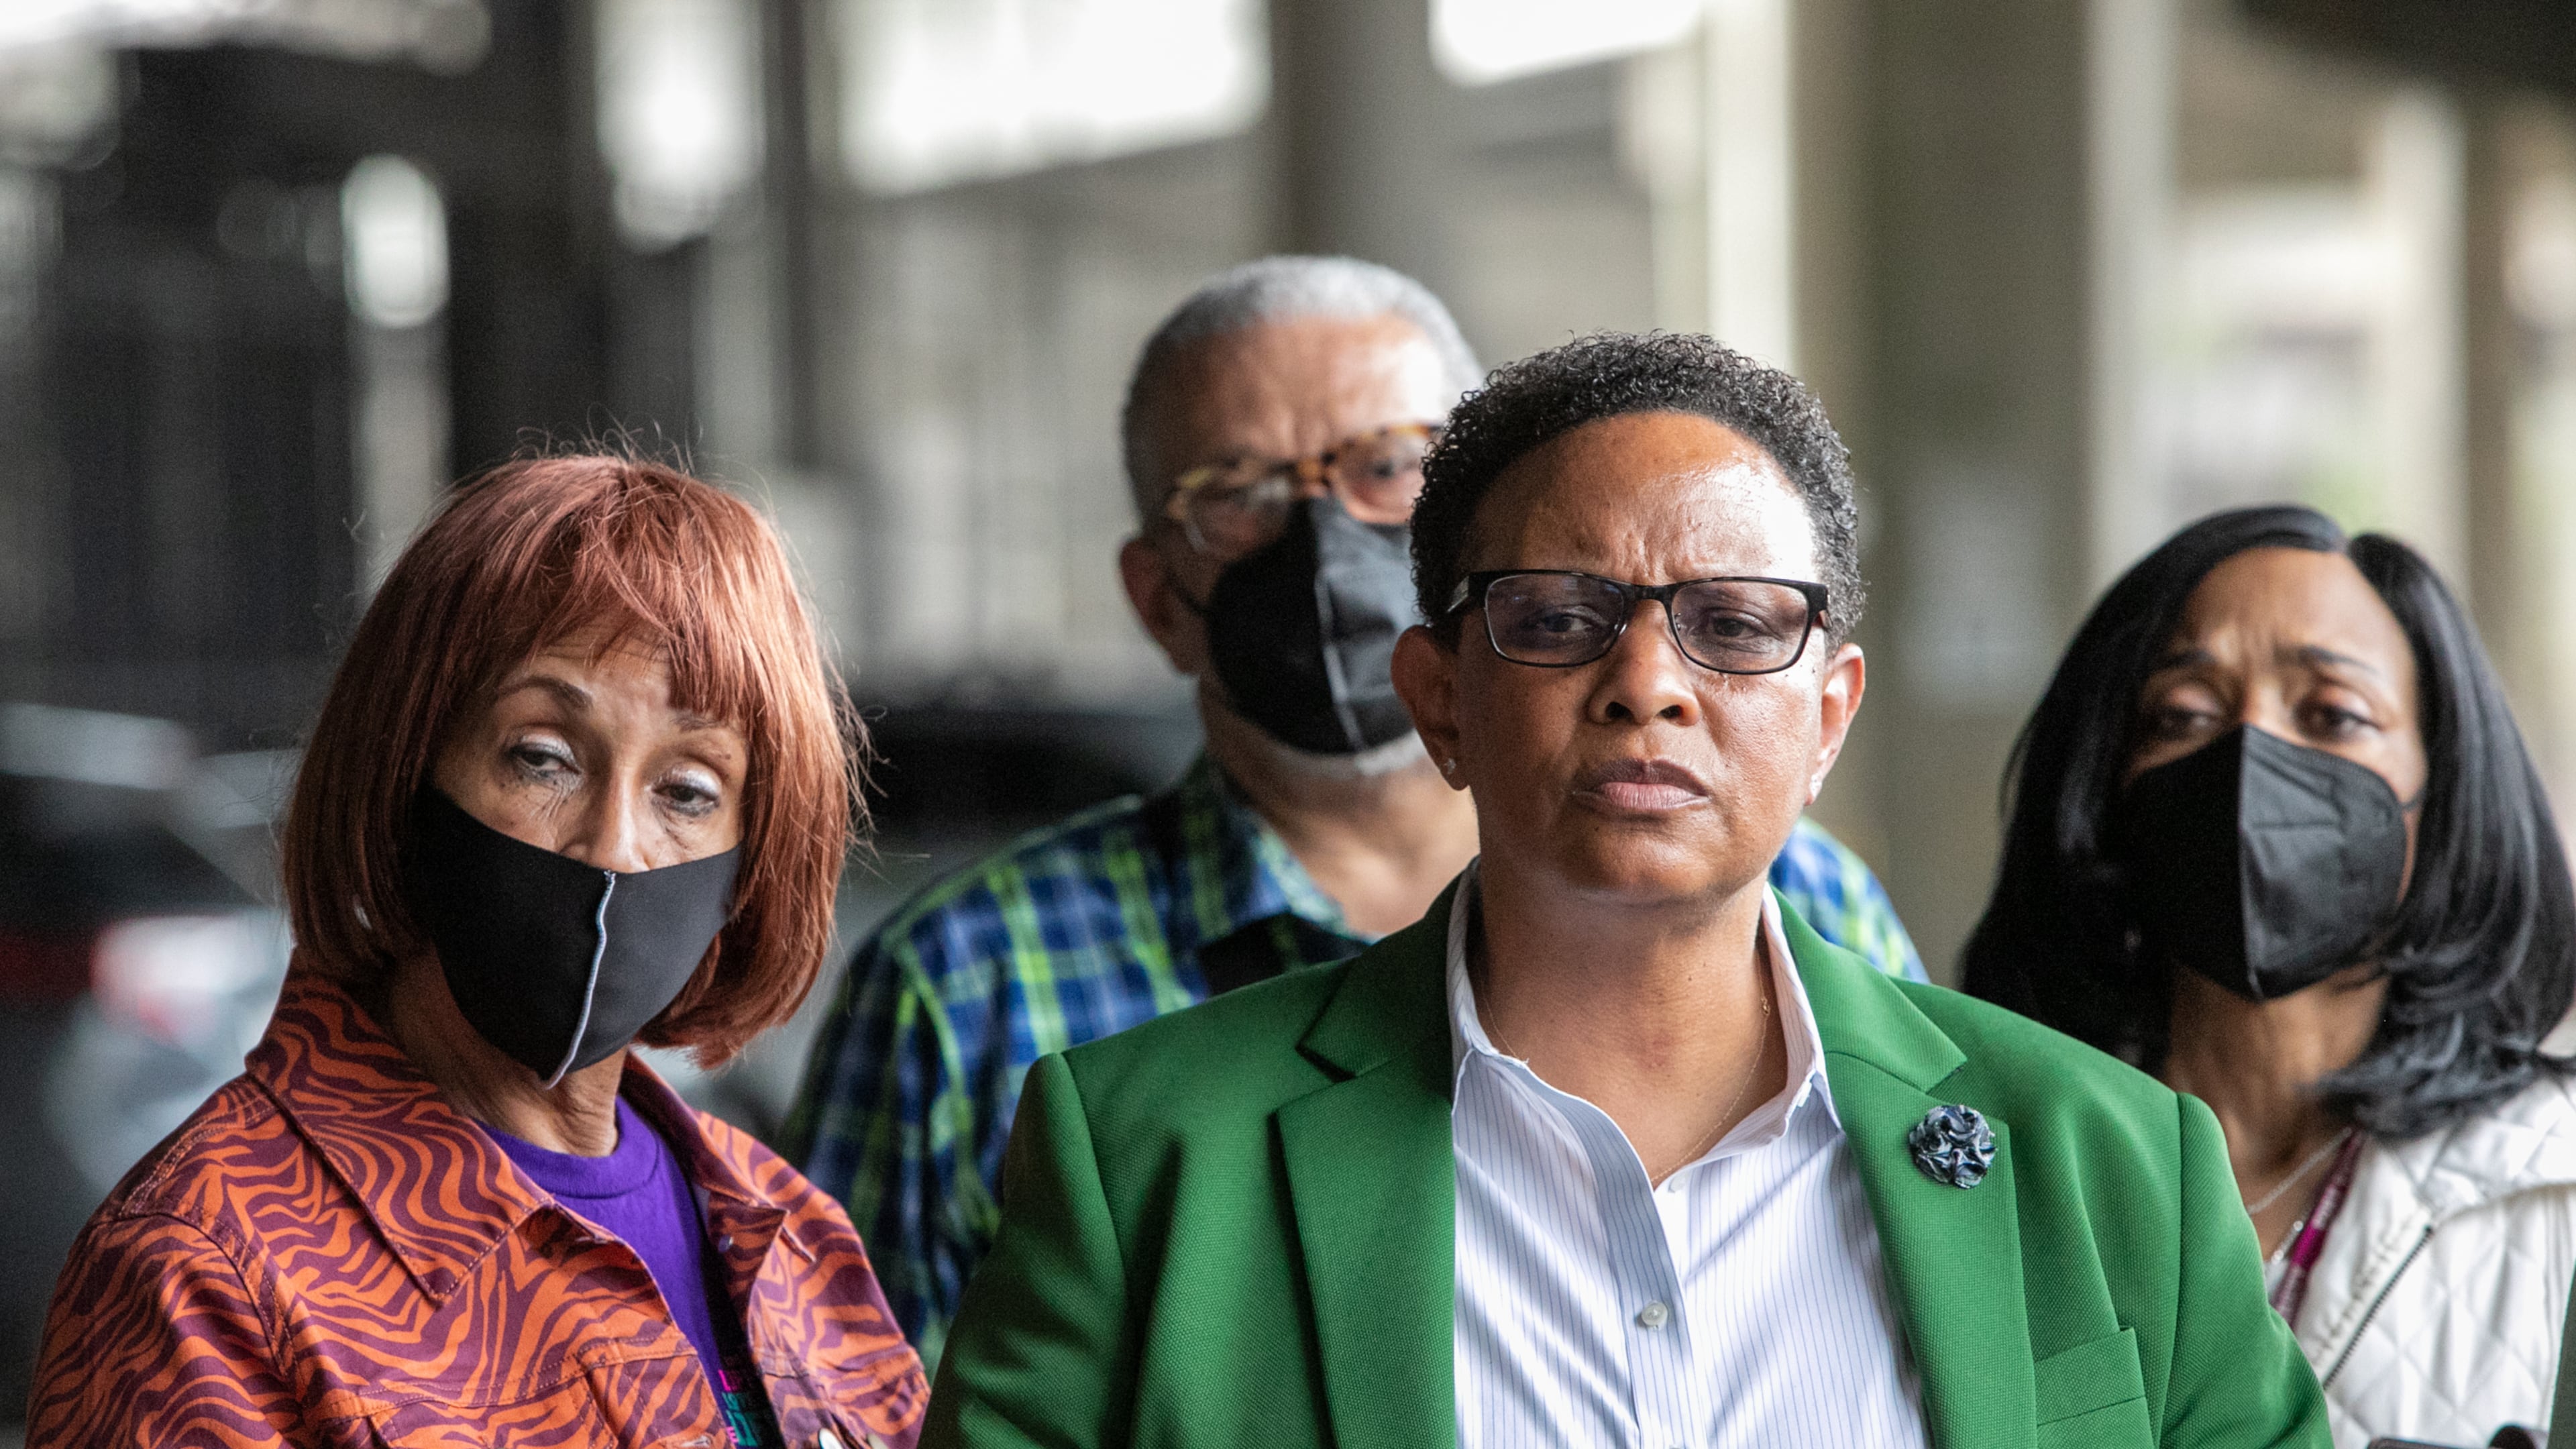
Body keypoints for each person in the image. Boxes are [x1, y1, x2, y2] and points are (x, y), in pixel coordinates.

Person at [922, 333, 2329, 1448]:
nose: (1648, 684)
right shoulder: (1149, 1157)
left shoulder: (2114, 1159)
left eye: (1736, 624)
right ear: (1440, 702)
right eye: (1556, 618)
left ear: (1829, 717)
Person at [783, 256, 1925, 1364]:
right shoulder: (967, 982)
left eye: (1390, 466)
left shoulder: (1797, 902)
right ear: (1158, 599)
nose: (1325, 543)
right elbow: (847, 1405)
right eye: (1239, 494)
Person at [28, 457, 926, 1448]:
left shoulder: (792, 1237)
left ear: (751, 863)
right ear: (405, 769)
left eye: (687, 792)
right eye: (543, 759)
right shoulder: (208, 1269)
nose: (614, 847)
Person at [1962, 504, 2576, 1448]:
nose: (2249, 756)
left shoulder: (2552, 1186)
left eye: (2333, 715)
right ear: (2102, 784)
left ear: (2446, 790)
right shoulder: (1987, 1158)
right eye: (2184, 716)